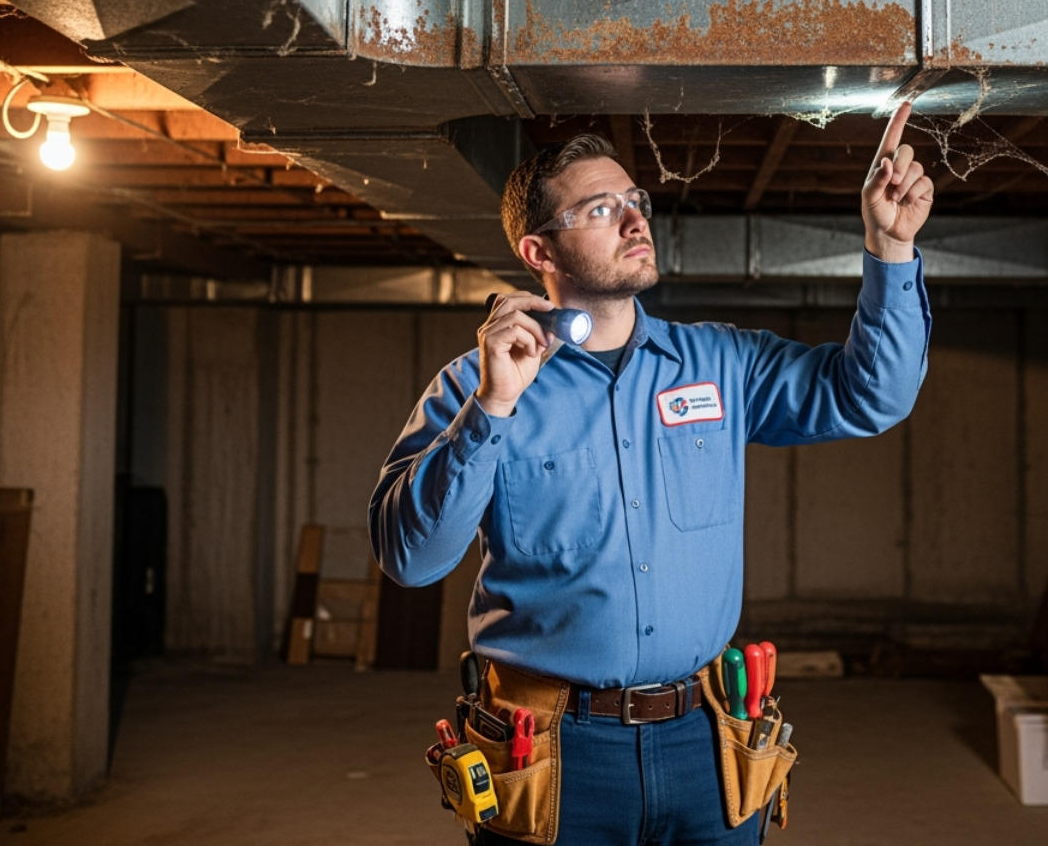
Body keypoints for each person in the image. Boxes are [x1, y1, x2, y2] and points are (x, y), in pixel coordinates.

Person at [369, 104, 934, 846]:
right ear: (538, 249)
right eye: (600, 208)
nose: (635, 219)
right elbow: (411, 560)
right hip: (548, 754)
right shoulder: (478, 388)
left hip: (709, 742)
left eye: (636, 201)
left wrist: (889, 247)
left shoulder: (722, 365)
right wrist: (492, 409)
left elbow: (872, 396)